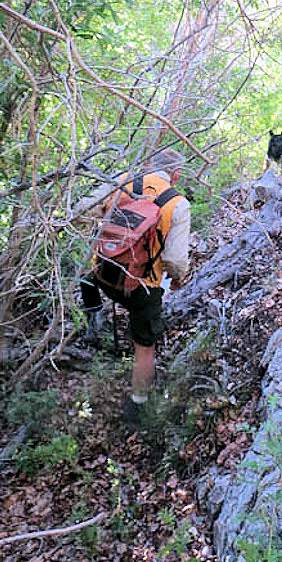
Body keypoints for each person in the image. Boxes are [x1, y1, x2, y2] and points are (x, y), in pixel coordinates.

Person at [79, 148, 191, 421]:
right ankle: (137, 404)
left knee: (85, 275)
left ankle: (93, 322)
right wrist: (177, 279)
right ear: (175, 175)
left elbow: (84, 210)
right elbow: (175, 260)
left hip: (104, 274)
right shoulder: (178, 204)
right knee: (145, 347)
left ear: (151, 165)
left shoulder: (123, 180)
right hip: (141, 288)